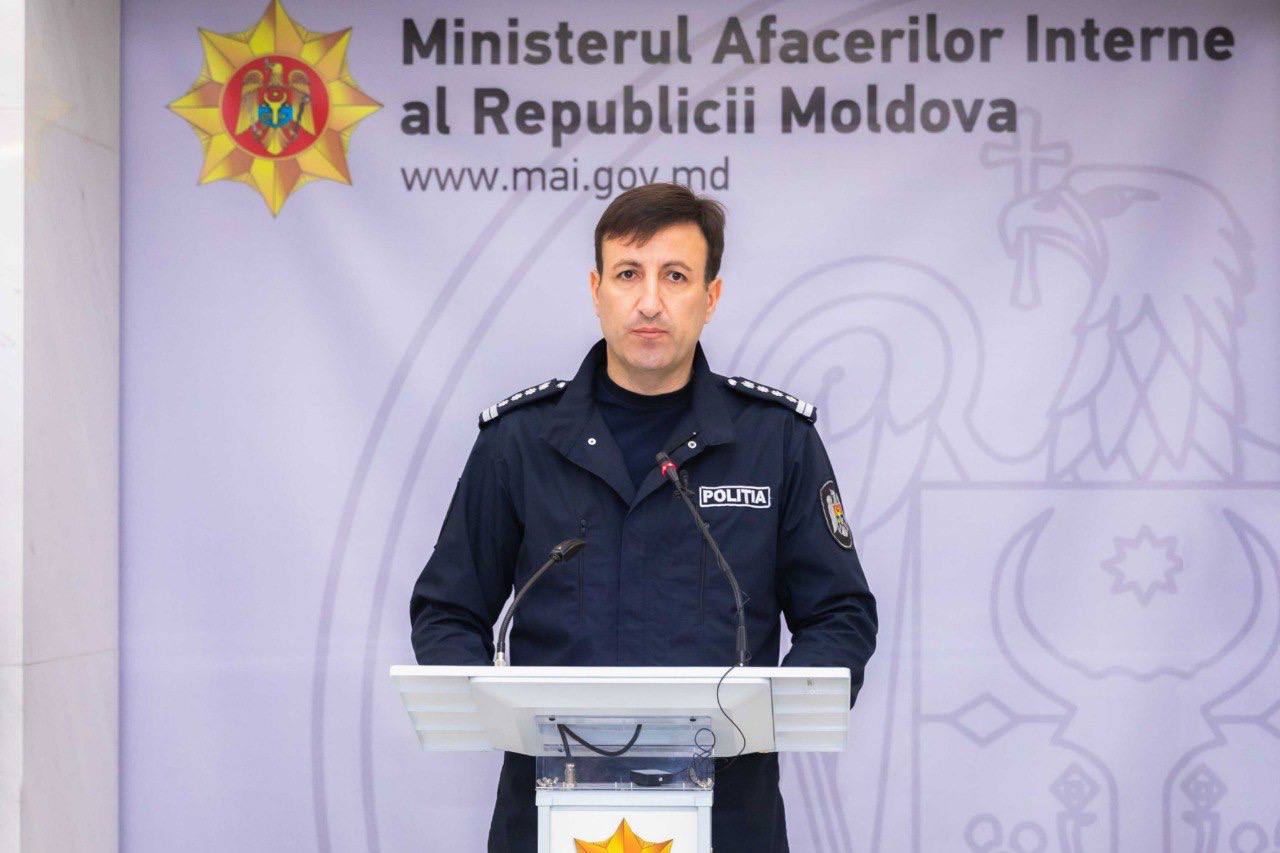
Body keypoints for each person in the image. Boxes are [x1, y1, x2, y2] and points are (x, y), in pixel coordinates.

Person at [409, 181, 878, 851]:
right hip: (551, 807)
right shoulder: (519, 443)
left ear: (710, 297)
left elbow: (840, 614)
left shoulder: (776, 442)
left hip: (727, 815)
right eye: (628, 273)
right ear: (596, 290)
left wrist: (773, 714)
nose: (650, 300)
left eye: (675, 276)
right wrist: (497, 711)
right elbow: (447, 611)